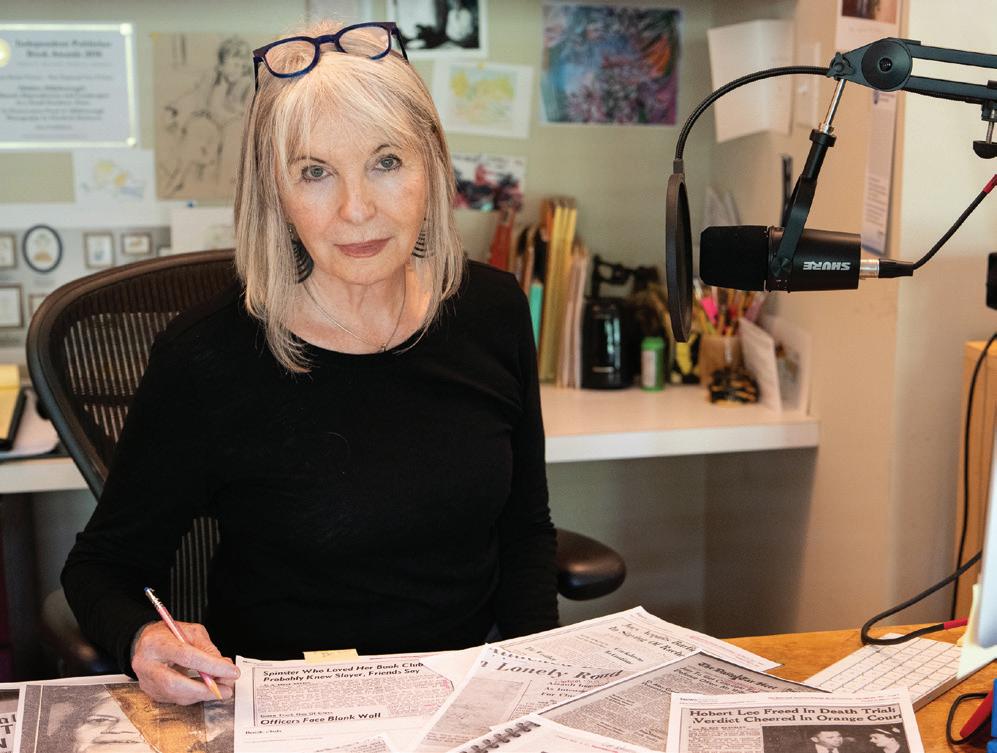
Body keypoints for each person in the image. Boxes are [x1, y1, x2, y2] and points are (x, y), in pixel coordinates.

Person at [62, 19, 558, 706]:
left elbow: (525, 530)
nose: (357, 209)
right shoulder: (205, 357)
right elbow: (103, 566)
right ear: (277, 192)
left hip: (463, 699)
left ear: (432, 166)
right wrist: (142, 637)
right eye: (315, 172)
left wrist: (535, 684)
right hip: (285, 708)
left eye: (387, 162)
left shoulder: (492, 309)